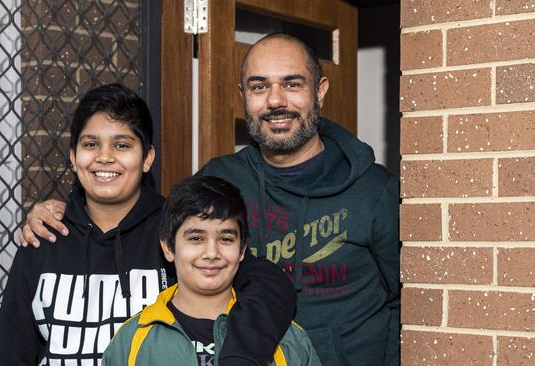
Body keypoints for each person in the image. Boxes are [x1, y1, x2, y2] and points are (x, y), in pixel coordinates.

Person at [22, 33, 400, 366]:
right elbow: (164, 230)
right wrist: (71, 213)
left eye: (292, 84)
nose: (275, 100)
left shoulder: (373, 190)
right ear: (243, 97)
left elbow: (408, 303)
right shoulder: (220, 178)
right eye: (258, 86)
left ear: (319, 91)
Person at [0, 83, 295, 365]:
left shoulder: (179, 232)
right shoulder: (44, 237)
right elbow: (12, 351)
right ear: (73, 157)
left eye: (122, 145)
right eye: (90, 144)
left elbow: (268, 284)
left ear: (147, 158)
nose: (105, 157)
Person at [101, 175, 321, 366]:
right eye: (196, 238)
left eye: (225, 239)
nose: (211, 252)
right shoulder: (132, 341)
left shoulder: (288, 339)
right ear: (168, 248)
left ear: (242, 250)